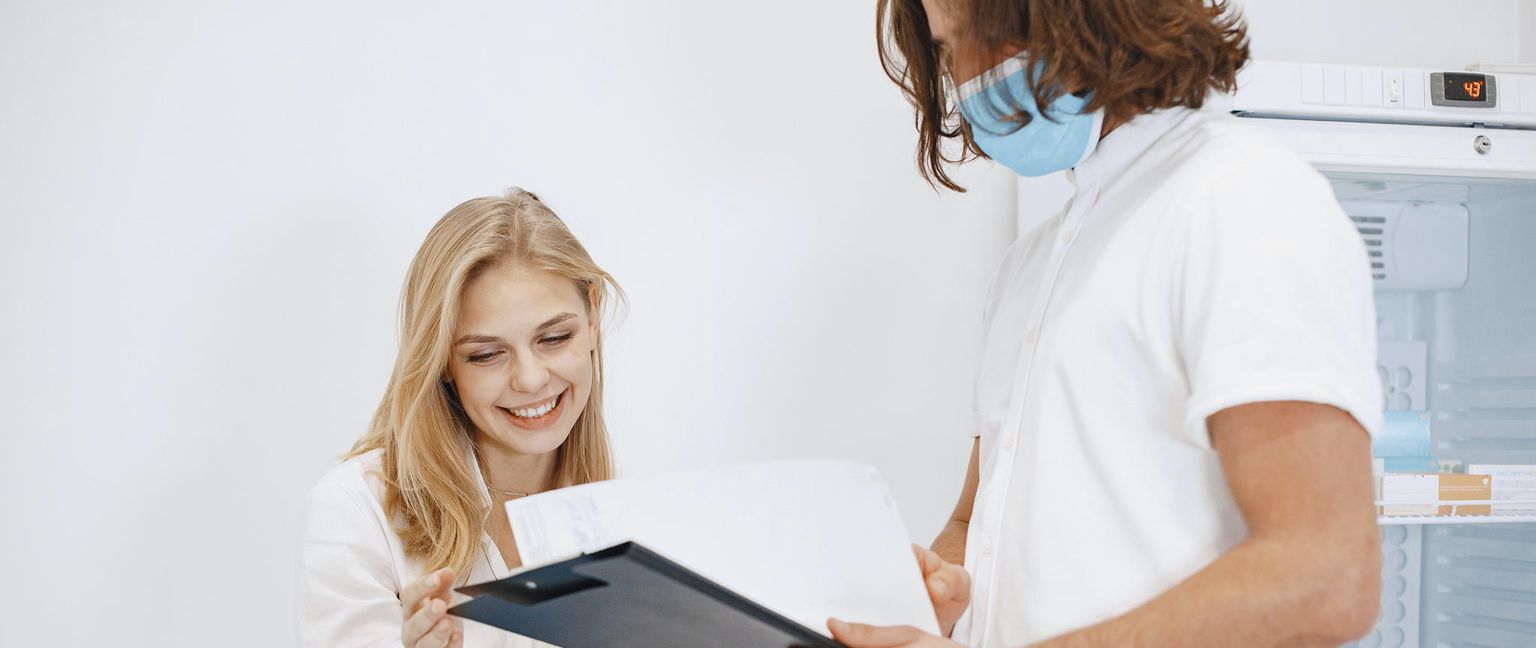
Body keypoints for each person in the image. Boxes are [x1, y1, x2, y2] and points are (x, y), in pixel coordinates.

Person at [831, 1, 1384, 646]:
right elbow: (969, 517)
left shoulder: (1240, 202)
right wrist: (939, 592)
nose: (957, 80)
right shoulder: (1032, 264)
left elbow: (1325, 576)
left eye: (954, 47)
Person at [296, 188, 622, 647]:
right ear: (443, 362)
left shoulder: (624, 518)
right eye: (487, 354)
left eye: (554, 338)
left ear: (592, 316)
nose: (530, 380)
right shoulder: (356, 511)